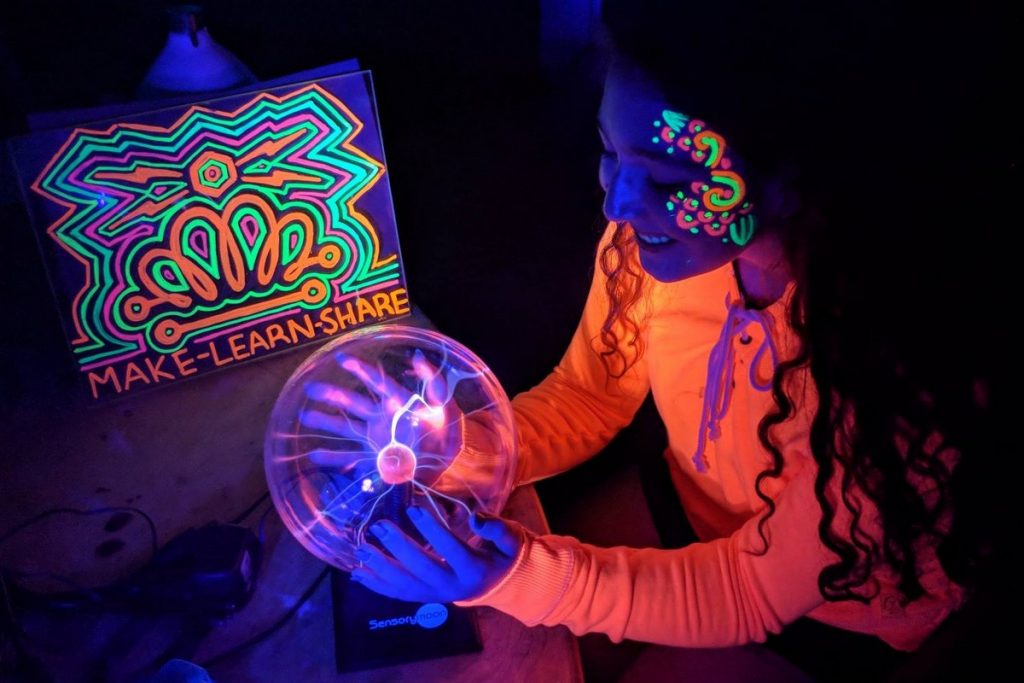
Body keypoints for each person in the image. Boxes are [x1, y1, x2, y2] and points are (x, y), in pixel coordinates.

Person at [347, 1, 1012, 680]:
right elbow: (590, 393)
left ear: (794, 182)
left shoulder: (883, 367)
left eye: (669, 178)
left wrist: (520, 574)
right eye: (609, 150)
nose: (619, 204)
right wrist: (465, 444)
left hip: (839, 609)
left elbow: (750, 590)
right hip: (694, 502)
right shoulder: (660, 240)